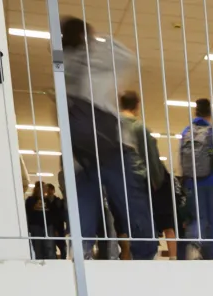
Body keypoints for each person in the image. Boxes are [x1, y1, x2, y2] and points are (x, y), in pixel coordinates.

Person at [60, 18, 158, 260]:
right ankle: (145, 255)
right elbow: (129, 59)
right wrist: (100, 39)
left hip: (79, 153)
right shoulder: (99, 57)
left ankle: (80, 255)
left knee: (84, 202)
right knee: (132, 204)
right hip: (111, 146)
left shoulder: (64, 63)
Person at [119, 89, 176, 259]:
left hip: (118, 185)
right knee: (146, 242)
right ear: (137, 106)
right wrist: (157, 183)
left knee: (127, 228)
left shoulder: (112, 128)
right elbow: (151, 158)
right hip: (137, 183)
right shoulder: (138, 128)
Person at [178, 98, 213, 260]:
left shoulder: (186, 133)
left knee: (197, 217)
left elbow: (182, 159)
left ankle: (193, 242)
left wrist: (186, 180)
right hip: (211, 183)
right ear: (210, 114)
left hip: (191, 183)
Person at [26, 182, 68, 259]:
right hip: (35, 226)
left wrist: (55, 228)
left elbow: (54, 214)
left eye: (44, 188)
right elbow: (29, 214)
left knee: (50, 248)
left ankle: (52, 265)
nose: (42, 190)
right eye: (40, 188)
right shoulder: (30, 200)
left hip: (48, 226)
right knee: (38, 248)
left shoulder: (49, 200)